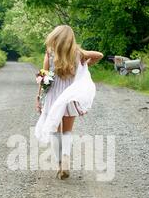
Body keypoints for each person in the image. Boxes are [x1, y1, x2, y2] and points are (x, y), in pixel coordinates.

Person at [35, 25, 103, 180]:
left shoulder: (49, 53)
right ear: (71, 39)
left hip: (53, 97)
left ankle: (60, 163)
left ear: (55, 37)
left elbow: (44, 78)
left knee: (54, 129)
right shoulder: (78, 54)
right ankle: (66, 158)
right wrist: (85, 62)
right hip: (70, 96)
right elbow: (99, 55)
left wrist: (38, 97)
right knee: (67, 131)